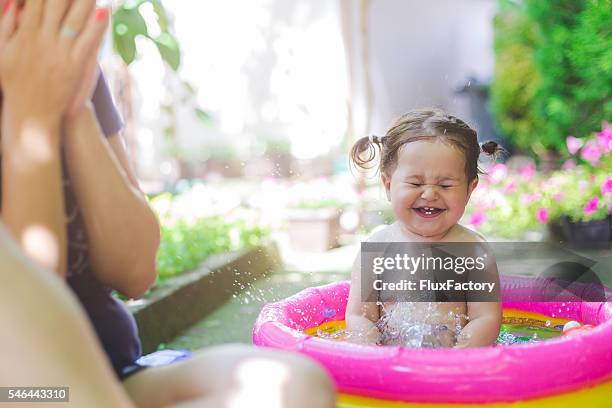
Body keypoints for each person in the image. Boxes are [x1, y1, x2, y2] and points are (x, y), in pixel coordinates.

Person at [0, 1, 335, 406]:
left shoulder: (62, 66)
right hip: (28, 390)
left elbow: (135, 271)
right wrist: (32, 111)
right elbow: (32, 326)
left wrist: (74, 107)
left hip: (110, 378)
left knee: (292, 384)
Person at [345, 109, 503, 348]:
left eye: (446, 185)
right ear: (388, 185)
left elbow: (486, 318)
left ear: (470, 190)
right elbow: (360, 317)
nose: (429, 194)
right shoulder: (376, 249)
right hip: (392, 364)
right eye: (415, 183)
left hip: (453, 364)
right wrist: (372, 354)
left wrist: (457, 357)